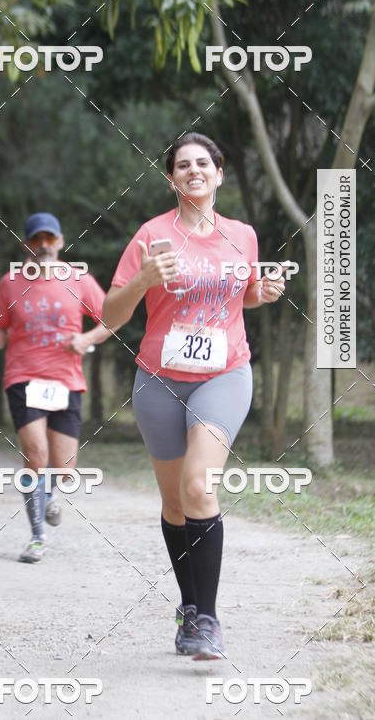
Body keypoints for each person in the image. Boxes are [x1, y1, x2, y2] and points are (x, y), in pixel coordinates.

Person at [102, 132, 286, 660]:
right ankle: (188, 608)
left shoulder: (242, 236)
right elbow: (110, 316)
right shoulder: (151, 235)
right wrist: (142, 280)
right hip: (159, 380)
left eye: (203, 163)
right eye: (182, 165)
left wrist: (261, 293)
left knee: (199, 487)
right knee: (175, 503)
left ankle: (208, 620)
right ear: (171, 179)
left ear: (219, 173)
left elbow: (240, 295)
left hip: (223, 375)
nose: (193, 171)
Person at [0, 212, 113, 564]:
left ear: (60, 242)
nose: (43, 245)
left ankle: (47, 496)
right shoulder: (10, 283)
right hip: (23, 376)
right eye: (36, 239)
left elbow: (110, 319)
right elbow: (0, 331)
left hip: (65, 380)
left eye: (49, 238)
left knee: (65, 469)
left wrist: (86, 339)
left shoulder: (80, 280)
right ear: (26, 245)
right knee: (36, 454)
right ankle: (37, 537)